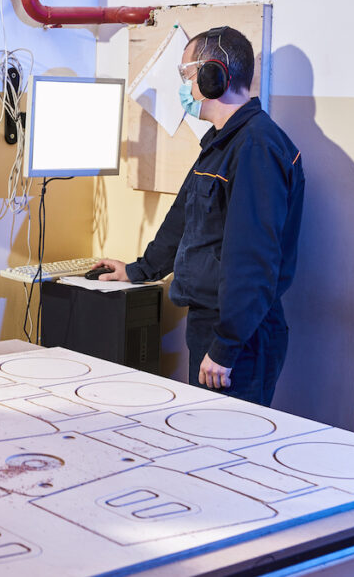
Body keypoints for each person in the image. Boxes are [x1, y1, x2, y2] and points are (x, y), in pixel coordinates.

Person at [94, 26, 304, 407]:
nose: (185, 87)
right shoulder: (223, 141)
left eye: (186, 75)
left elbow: (252, 259)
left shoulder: (256, 147)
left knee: (227, 453)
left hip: (241, 335)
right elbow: (184, 220)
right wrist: (138, 270)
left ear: (214, 75)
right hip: (216, 325)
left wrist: (226, 346)